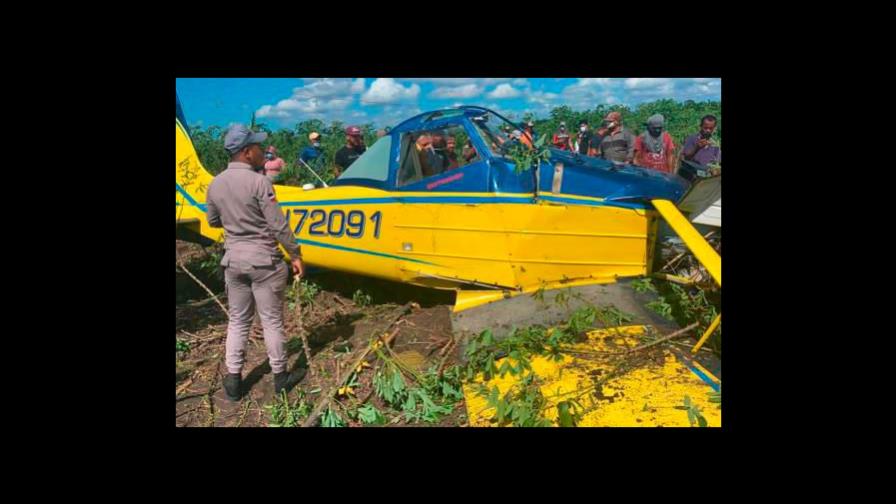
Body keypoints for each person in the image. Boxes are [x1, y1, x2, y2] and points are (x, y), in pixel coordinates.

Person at [205, 124, 305, 402]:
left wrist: (234, 219)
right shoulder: (260, 182)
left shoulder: (215, 183)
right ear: (247, 152)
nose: (264, 151)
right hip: (264, 262)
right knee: (272, 321)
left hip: (233, 261)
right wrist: (295, 254)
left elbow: (213, 221)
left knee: (238, 321)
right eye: (259, 147)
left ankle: (234, 381)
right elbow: (278, 225)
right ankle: (280, 377)